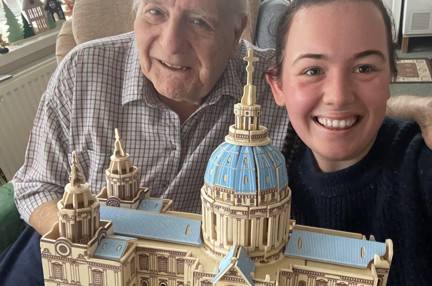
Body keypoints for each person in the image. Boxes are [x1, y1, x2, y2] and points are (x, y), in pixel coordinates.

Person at [0, 0, 431, 285]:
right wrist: (94, 248)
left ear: (237, 32)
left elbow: (331, 97)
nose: (171, 43)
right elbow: (34, 185)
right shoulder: (81, 70)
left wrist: (417, 107)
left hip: (200, 264)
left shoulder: (261, 77)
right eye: (154, 11)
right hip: (80, 245)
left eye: (200, 21)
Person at [265, 0, 432, 285]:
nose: (339, 96)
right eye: (313, 70)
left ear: (390, 78)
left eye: (364, 68)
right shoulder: (265, 177)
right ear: (278, 87)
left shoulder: (420, 165)